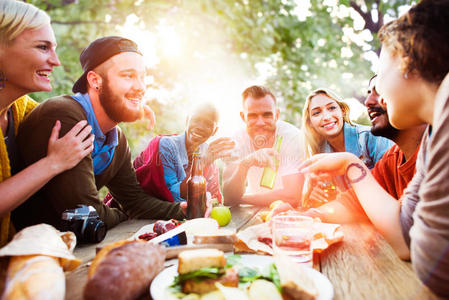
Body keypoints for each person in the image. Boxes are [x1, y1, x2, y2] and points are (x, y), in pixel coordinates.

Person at [298, 0, 449, 295]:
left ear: (408, 58)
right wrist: (350, 165)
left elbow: (435, 263)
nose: (375, 98)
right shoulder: (434, 136)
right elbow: (406, 240)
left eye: (379, 77)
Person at [13, 36, 196, 232]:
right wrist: (120, 215)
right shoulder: (65, 117)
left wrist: (183, 210)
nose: (141, 87)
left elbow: (134, 200)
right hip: (20, 251)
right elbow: (85, 214)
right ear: (95, 81)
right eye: (128, 76)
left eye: (142, 77)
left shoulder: (116, 139)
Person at [0, 0, 93, 246]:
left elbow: (68, 114)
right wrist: (53, 163)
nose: (56, 61)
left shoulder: (20, 110)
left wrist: (121, 104)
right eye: (43, 47)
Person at [125, 103, 234, 203]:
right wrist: (202, 164)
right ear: (187, 121)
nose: (200, 127)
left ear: (214, 131)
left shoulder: (208, 154)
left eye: (208, 124)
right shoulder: (166, 146)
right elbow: (170, 196)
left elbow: (212, 199)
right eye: (196, 120)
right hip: (137, 210)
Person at [222, 85, 304, 207]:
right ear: (243, 117)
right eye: (252, 116)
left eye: (267, 115)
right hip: (252, 213)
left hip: (290, 211)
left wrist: (242, 199)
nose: (260, 122)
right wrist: (245, 164)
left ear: (276, 115)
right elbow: (229, 196)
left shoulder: (292, 137)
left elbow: (292, 196)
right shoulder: (236, 141)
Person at [367, 74, 426, 199]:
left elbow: (408, 215)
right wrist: (316, 213)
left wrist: (352, 166)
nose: (368, 102)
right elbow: (353, 202)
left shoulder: (439, 151)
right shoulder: (390, 161)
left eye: (380, 91)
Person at [302, 88, 393, 169]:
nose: (326, 117)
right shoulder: (320, 152)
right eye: (316, 113)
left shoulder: (371, 137)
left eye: (332, 108)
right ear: (310, 122)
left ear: (343, 111)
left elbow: (391, 180)